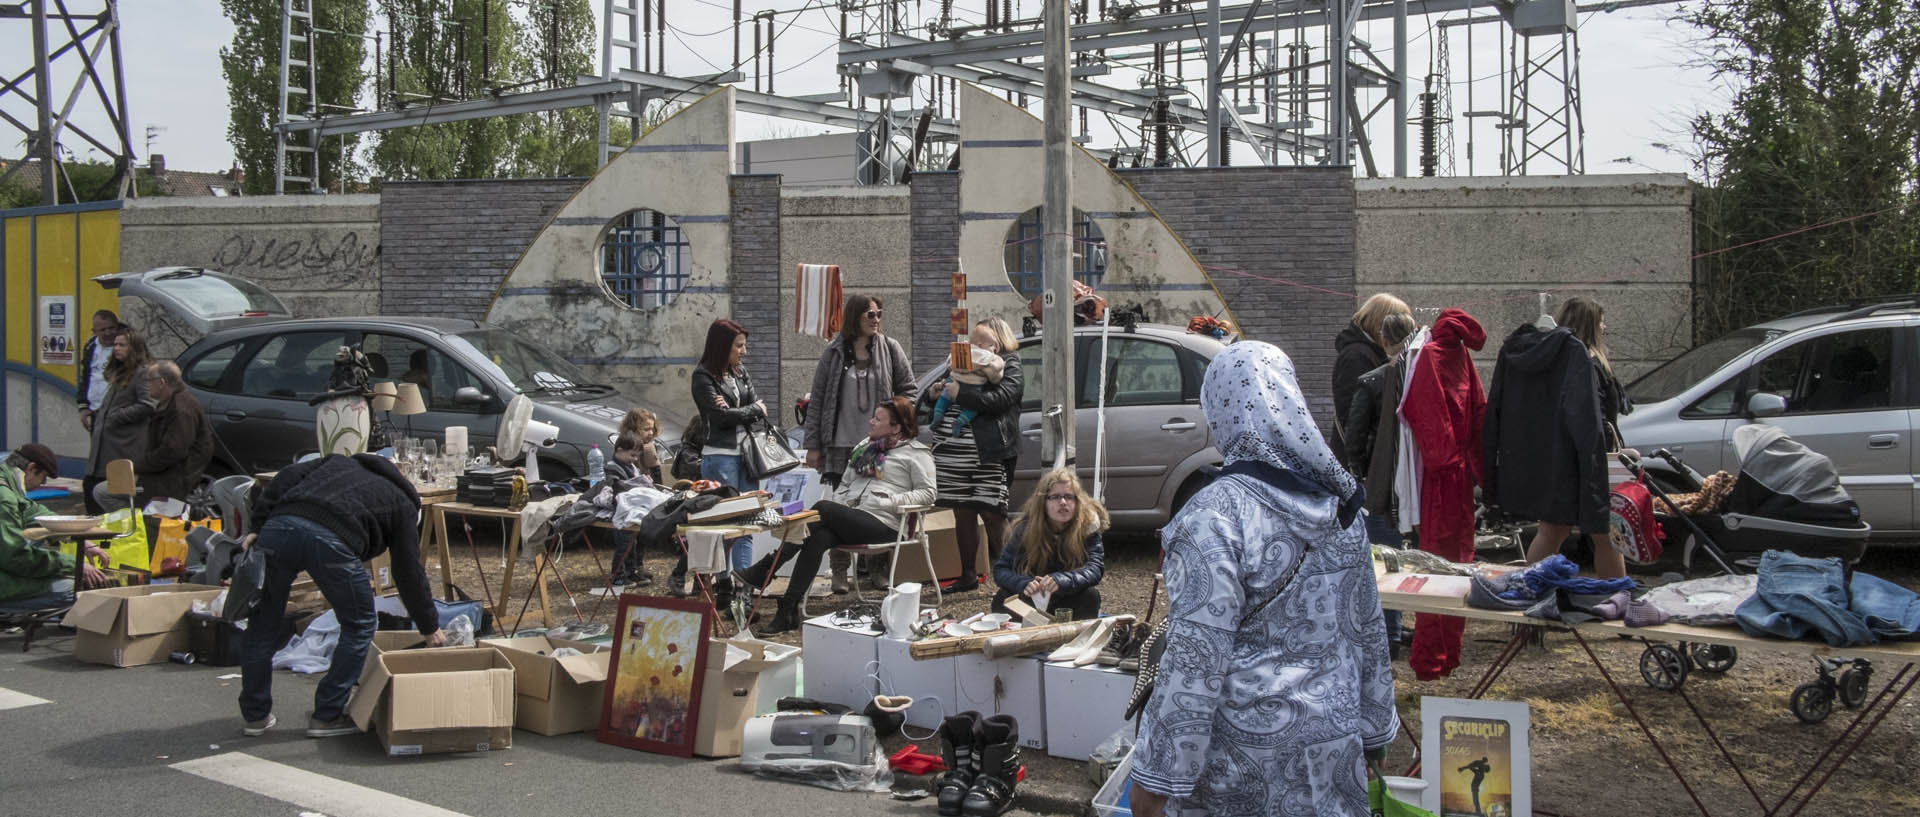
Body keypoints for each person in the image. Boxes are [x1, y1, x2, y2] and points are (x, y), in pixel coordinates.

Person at [1130, 341, 1399, 817]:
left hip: (1242, 764)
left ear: (1221, 412)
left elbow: (1195, 661)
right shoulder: (1342, 507)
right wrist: (1374, 732)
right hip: (1333, 746)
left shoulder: (1214, 517)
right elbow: (1368, 634)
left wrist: (1156, 780)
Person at [239, 453, 445, 738]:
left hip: (280, 526)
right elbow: (408, 570)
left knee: (263, 624)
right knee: (360, 622)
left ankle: (255, 716)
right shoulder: (404, 503)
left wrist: (258, 525)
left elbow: (285, 476)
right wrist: (429, 626)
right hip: (331, 539)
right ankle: (327, 715)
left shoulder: (337, 462)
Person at [737, 396, 934, 634]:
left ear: (896, 426)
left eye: (878, 419)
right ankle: (788, 608)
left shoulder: (916, 454)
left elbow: (928, 493)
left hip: (887, 523)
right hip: (855, 517)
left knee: (822, 508)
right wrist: (846, 504)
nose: (870, 422)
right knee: (819, 537)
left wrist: (893, 501)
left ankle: (766, 568)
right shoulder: (865, 448)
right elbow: (844, 486)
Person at [1504, 296, 1629, 580]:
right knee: (1607, 532)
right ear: (1590, 325)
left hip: (1558, 458)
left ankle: (1528, 591)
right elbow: (1593, 418)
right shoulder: (1587, 362)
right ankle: (1619, 598)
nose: (1605, 326)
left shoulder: (1555, 359)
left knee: (1553, 530)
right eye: (1600, 321)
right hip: (1590, 458)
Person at [801, 295, 916, 594]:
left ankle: (877, 571)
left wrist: (896, 421)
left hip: (880, 446)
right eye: (870, 314)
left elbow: (909, 391)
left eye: (879, 313)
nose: (876, 319)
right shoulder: (834, 354)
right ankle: (839, 571)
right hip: (841, 446)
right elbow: (817, 403)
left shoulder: (890, 349)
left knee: (876, 508)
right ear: (855, 317)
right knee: (841, 506)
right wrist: (813, 445)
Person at [923, 318, 1024, 593]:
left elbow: (1002, 399)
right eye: (974, 340)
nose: (976, 344)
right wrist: (935, 395)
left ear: (998, 340)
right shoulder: (962, 359)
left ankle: (1012, 578)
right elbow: (946, 386)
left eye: (983, 340)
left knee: (993, 513)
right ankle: (968, 575)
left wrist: (962, 393)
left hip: (987, 452)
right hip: (954, 453)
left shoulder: (1009, 364)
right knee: (963, 512)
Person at [680, 319, 766, 598]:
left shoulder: (740, 373)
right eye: (739, 346)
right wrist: (753, 409)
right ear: (722, 346)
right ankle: (723, 585)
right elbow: (719, 417)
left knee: (748, 521)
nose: (744, 351)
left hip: (748, 456)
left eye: (744, 345)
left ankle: (745, 584)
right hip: (720, 456)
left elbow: (748, 409)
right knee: (724, 525)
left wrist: (744, 410)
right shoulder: (703, 376)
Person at [1, 444, 109, 614]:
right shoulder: (4, 498)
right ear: (31, 468)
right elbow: (16, 557)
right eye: (43, 478)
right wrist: (75, 565)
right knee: (72, 588)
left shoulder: (5, 478)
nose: (42, 484)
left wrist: (78, 535)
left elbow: (33, 511)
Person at [990, 468, 1106, 621]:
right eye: (1055, 497)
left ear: (1077, 501)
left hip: (1068, 597)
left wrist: (1063, 580)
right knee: (1002, 599)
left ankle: (1073, 640)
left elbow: (1095, 568)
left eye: (1069, 497)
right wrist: (1023, 584)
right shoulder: (1025, 529)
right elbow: (1001, 569)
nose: (1063, 502)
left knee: (1090, 596)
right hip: (1031, 598)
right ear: (1043, 502)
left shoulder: (1087, 526)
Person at [92, 362, 212, 510]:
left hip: (171, 478)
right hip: (163, 473)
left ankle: (136, 525)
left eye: (149, 380)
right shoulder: (171, 402)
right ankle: (136, 521)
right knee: (110, 484)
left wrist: (137, 466)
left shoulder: (180, 409)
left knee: (103, 491)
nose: (146, 384)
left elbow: (172, 451)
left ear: (161, 382)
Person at [1332, 293, 1412, 470]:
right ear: (1381, 325)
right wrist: (1362, 461)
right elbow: (1351, 416)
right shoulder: (1356, 356)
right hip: (1363, 462)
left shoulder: (1368, 352)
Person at [83, 327, 154, 515]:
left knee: (104, 493)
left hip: (122, 448)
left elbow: (148, 405)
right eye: (115, 344)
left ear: (134, 348)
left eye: (122, 345)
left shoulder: (142, 372)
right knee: (90, 488)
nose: (117, 348)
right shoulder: (120, 372)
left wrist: (118, 416)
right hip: (104, 446)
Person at [931, 323, 1008, 434]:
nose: (994, 348)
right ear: (980, 345)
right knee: (972, 409)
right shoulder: (989, 357)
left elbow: (949, 363)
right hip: (973, 387)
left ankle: (937, 416)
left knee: (943, 399)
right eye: (991, 345)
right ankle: (959, 422)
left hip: (952, 381)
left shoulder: (961, 350)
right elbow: (995, 375)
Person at [608, 431, 653, 587]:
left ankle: (631, 572)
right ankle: (617, 575)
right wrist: (639, 483)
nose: (634, 459)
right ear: (619, 450)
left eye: (637, 456)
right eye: (632, 455)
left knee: (632, 544)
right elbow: (619, 487)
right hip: (621, 512)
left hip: (632, 511)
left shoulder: (630, 466)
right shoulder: (612, 468)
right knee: (624, 545)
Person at [75, 310, 119, 431]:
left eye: (111, 328)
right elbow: (86, 378)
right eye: (103, 330)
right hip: (96, 412)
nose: (108, 333)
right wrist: (83, 406)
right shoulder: (90, 348)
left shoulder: (126, 347)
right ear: (94, 332)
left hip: (118, 413)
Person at [613, 407, 664, 484]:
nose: (651, 433)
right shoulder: (630, 445)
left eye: (652, 429)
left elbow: (656, 474)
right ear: (633, 429)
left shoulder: (648, 445)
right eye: (646, 429)